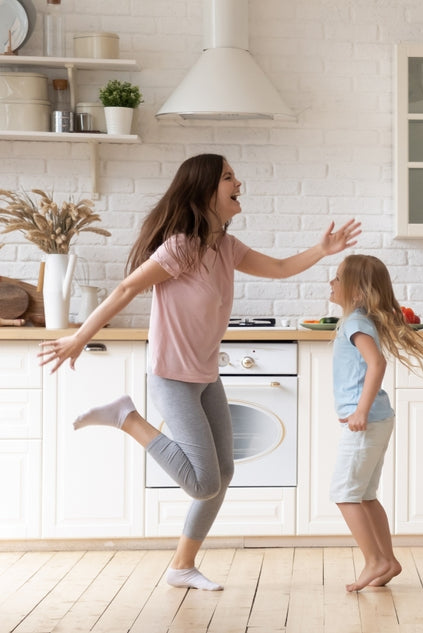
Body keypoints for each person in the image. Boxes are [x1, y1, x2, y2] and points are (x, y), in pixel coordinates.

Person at [37, 153, 362, 592]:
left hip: (206, 376)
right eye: (229, 177)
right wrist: (79, 337)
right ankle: (125, 417)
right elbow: (129, 286)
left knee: (223, 473)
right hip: (171, 376)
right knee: (204, 482)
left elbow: (282, 269)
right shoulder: (182, 246)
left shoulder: (225, 247)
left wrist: (323, 250)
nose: (238, 182)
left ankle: (181, 566)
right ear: (206, 190)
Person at [326, 253, 423, 592]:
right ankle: (388, 561)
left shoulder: (356, 323)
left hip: (366, 421)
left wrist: (360, 410)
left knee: (345, 494)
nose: (331, 282)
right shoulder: (358, 320)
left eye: (338, 277)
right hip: (377, 419)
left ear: (357, 291)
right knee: (364, 495)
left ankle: (374, 560)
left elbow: (377, 364)